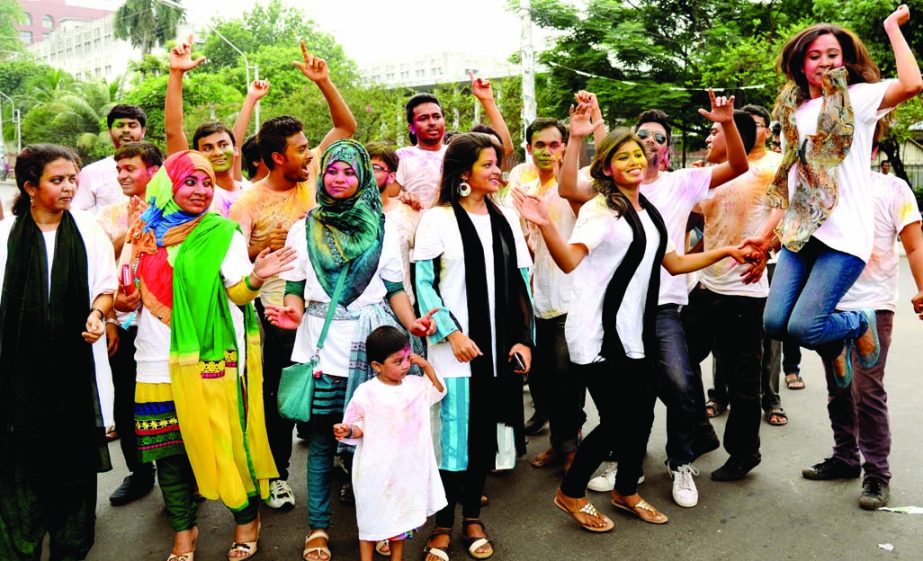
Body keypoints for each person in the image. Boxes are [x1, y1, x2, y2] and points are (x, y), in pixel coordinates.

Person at [513, 127, 754, 532]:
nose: (634, 162)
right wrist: (544, 224)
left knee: (641, 414)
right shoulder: (601, 209)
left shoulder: (647, 211)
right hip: (597, 333)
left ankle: (626, 490)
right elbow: (571, 260)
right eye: (622, 157)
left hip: (633, 331)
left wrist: (726, 250)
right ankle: (571, 492)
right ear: (606, 167)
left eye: (638, 155)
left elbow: (673, 263)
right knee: (618, 421)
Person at [560, 92, 750, 507]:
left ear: (664, 151)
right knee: (626, 408)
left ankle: (675, 463)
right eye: (639, 137)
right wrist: (581, 134)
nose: (647, 144)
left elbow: (676, 260)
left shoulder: (674, 191)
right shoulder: (606, 199)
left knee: (676, 387)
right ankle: (615, 471)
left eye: (656, 139)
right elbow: (568, 199)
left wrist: (728, 122)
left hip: (659, 309)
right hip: (610, 317)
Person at [116, 149, 294, 561]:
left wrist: (256, 277)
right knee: (169, 454)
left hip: (212, 357)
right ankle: (184, 532)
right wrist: (123, 301)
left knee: (222, 444)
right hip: (155, 359)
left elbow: (236, 292)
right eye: (189, 181)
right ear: (170, 185)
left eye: (206, 182)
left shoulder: (221, 233)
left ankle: (246, 520)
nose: (199, 190)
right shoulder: (143, 232)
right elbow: (128, 299)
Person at [265, 139, 435, 561]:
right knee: (322, 443)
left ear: (363, 179)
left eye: (350, 172)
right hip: (321, 349)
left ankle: (382, 524)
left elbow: (395, 289)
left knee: (379, 445)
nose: (339, 179)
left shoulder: (385, 229)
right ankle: (318, 529)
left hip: (373, 348)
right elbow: (294, 288)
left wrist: (410, 322)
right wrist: (291, 314)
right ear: (322, 176)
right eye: (332, 171)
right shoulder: (303, 229)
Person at [743, 5, 923, 387]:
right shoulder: (791, 112)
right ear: (800, 62)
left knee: (807, 327)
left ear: (844, 60)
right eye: (814, 55)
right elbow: (794, 184)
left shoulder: (857, 99)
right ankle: (839, 341)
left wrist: (891, 27)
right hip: (800, 233)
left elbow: (912, 83)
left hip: (844, 239)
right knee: (775, 322)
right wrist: (765, 238)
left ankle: (859, 322)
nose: (824, 62)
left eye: (832, 55)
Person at [229, 39, 357, 513]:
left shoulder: (315, 172)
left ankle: (345, 462)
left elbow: (346, 126)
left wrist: (323, 81)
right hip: (281, 312)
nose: (311, 155)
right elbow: (234, 259)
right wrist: (255, 254)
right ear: (278, 158)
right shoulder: (250, 202)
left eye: (309, 147)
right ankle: (276, 475)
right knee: (283, 395)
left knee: (339, 388)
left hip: (334, 306)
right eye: (302, 149)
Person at [413, 132, 534, 561]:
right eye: (489, 165)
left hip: (499, 350)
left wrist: (523, 340)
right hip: (454, 350)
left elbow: (521, 282)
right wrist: (451, 333)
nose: (497, 171)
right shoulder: (437, 220)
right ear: (465, 173)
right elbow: (423, 283)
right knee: (452, 440)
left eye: (498, 164)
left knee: (483, 435)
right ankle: (442, 525)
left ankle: (472, 519)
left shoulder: (505, 219)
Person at [0, 144, 116, 560]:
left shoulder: (88, 229)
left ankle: (70, 546)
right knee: (20, 467)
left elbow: (106, 287)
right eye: (57, 180)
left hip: (73, 370)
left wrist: (97, 316)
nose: (69, 188)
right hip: (18, 376)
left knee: (72, 466)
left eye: (73, 179)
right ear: (31, 186)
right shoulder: (4, 238)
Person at [804, 169, 923, 510]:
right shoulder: (821, 184)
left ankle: (877, 473)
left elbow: (914, 244)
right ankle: (845, 457)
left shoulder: (891, 188)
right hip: (831, 305)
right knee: (839, 386)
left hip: (873, 308)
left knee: (867, 390)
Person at [682, 108, 774, 480]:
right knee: (675, 364)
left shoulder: (771, 170)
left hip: (746, 295)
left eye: (714, 132)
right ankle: (702, 433)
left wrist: (770, 245)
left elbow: (800, 215)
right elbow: (694, 221)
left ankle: (744, 453)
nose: (707, 139)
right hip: (705, 288)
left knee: (743, 385)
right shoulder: (711, 176)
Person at [334, 326, 447, 561]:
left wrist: (426, 366)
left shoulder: (416, 385)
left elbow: (438, 390)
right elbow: (359, 427)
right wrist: (348, 429)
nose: (405, 365)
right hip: (375, 471)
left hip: (404, 472)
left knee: (399, 523)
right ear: (377, 366)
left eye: (407, 358)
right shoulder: (367, 392)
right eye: (398, 361)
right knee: (370, 521)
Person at [515, 117, 586, 471]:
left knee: (565, 382)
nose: (546, 152)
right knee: (543, 382)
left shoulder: (573, 186)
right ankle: (560, 445)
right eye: (539, 145)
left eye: (553, 144)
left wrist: (576, 139)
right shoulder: (527, 190)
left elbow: (578, 209)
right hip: (538, 300)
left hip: (571, 301)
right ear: (529, 149)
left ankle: (573, 451)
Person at [97, 141, 163, 507]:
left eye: (129, 169)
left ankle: (183, 477)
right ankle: (139, 473)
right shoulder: (109, 214)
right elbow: (101, 261)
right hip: (123, 322)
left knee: (172, 397)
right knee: (126, 401)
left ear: (153, 172)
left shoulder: (177, 208)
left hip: (165, 323)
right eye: (118, 169)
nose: (122, 176)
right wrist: (135, 228)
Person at [395, 73, 514, 212]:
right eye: (423, 118)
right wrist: (403, 195)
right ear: (411, 127)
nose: (432, 122)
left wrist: (488, 101)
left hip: (456, 225)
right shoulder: (402, 156)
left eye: (436, 117)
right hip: (415, 229)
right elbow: (388, 196)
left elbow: (504, 148)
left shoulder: (457, 152)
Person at [165, 35, 247, 218]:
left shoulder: (250, 191)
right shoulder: (199, 195)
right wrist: (176, 74)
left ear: (235, 150)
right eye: (207, 148)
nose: (217, 152)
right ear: (197, 156)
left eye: (223, 145)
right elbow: (173, 132)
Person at [72, 104, 147, 213]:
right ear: (110, 131)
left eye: (132, 125)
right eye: (120, 125)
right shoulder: (91, 172)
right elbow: (78, 212)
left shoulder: (158, 171)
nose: (126, 130)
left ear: (143, 131)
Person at [367, 141, 417, 302]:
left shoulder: (408, 213)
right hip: (356, 310)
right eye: (361, 165)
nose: (366, 172)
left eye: (375, 168)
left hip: (400, 309)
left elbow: (423, 267)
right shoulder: (341, 214)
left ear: (392, 177)